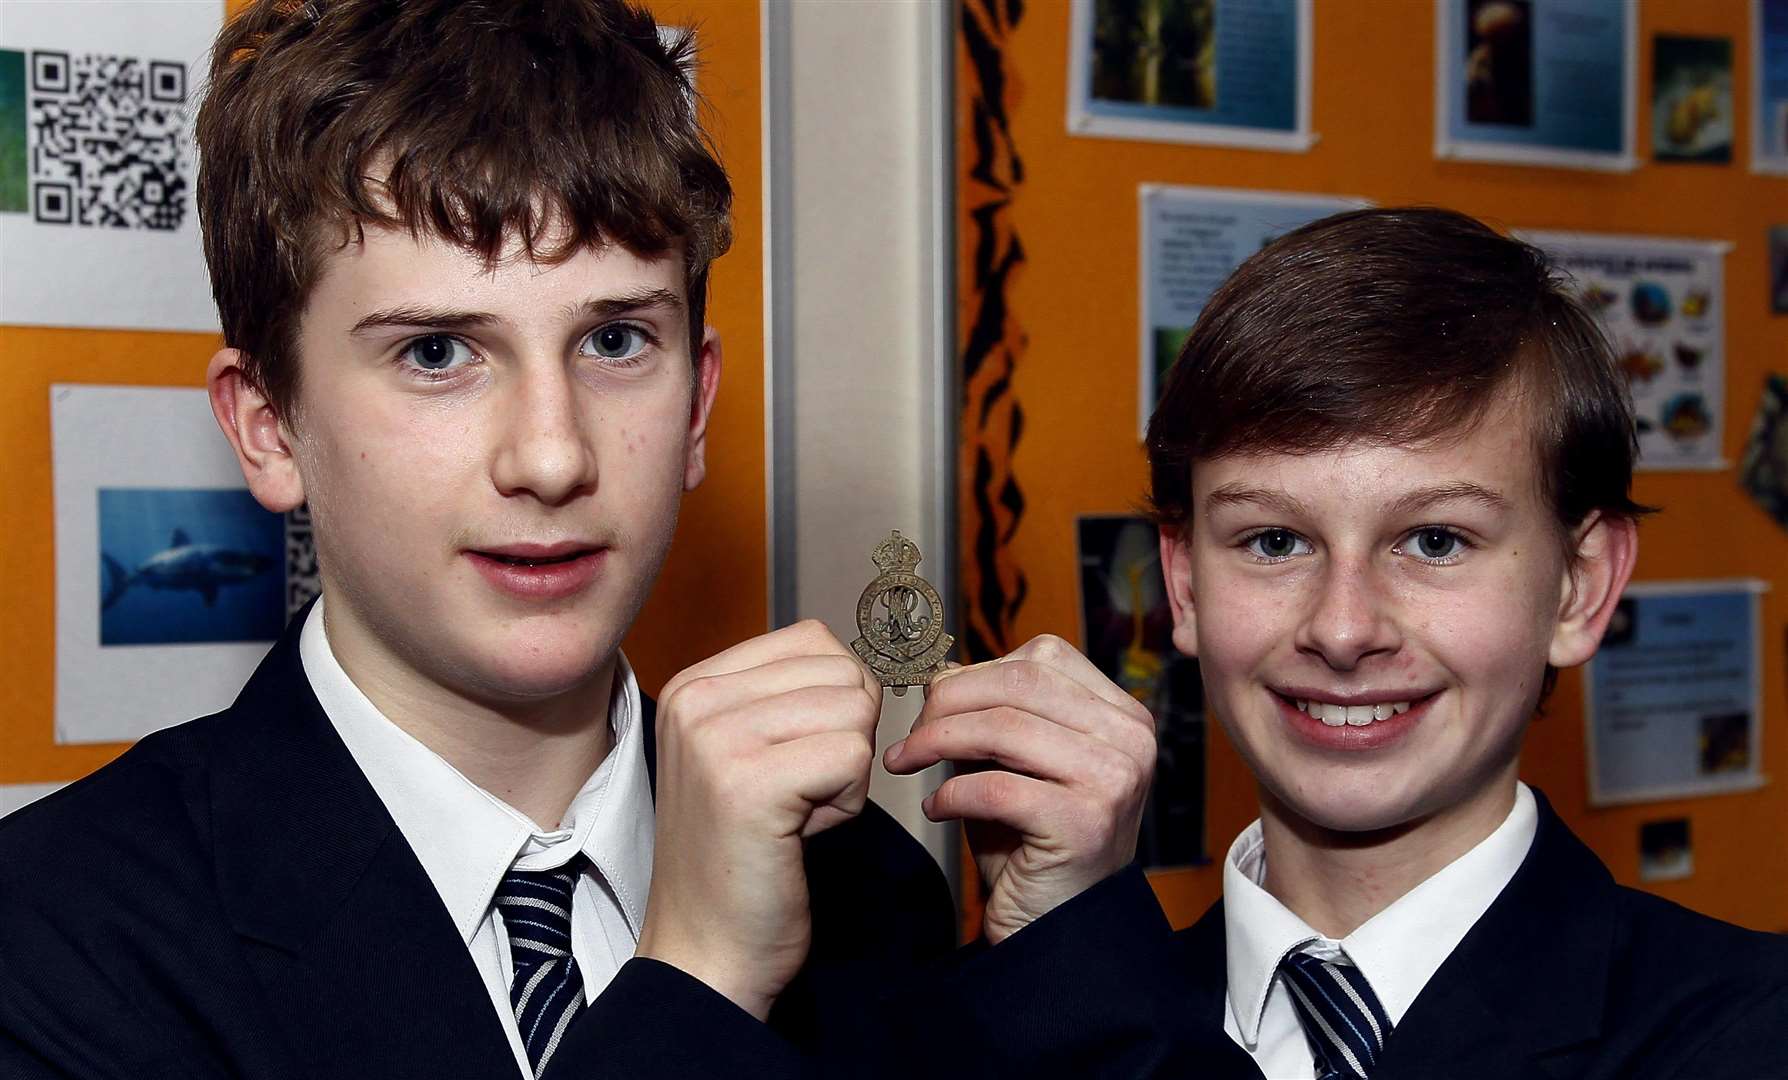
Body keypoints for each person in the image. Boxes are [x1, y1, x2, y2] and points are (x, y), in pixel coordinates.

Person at [0, 2, 1178, 1077]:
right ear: (269, 428)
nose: (553, 456)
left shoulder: (865, 884)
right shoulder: (59, 936)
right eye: (436, 353)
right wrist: (700, 977)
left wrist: (1054, 959)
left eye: (615, 342)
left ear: (698, 407)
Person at [1145, 206, 1788, 1079]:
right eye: (1274, 541)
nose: (1341, 630)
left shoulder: (1746, 1035)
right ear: (1185, 584)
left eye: (1436, 540)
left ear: (1579, 586)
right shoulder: (1054, 1019)